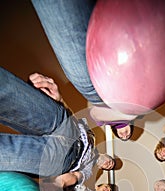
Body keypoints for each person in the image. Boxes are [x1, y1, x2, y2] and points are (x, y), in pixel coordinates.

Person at [31, 0, 138, 132]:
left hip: (98, 91)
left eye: (122, 137)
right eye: (127, 134)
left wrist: (125, 115)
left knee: (85, 79)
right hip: (121, 76)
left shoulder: (103, 115)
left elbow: (95, 114)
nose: (124, 135)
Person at [0, 67, 115, 180]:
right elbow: (75, 118)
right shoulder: (93, 136)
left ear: (101, 167)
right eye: (112, 161)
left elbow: (74, 177)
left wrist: (58, 185)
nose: (109, 164)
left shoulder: (89, 170)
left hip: (63, 158)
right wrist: (60, 100)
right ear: (105, 154)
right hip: (64, 124)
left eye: (109, 168)